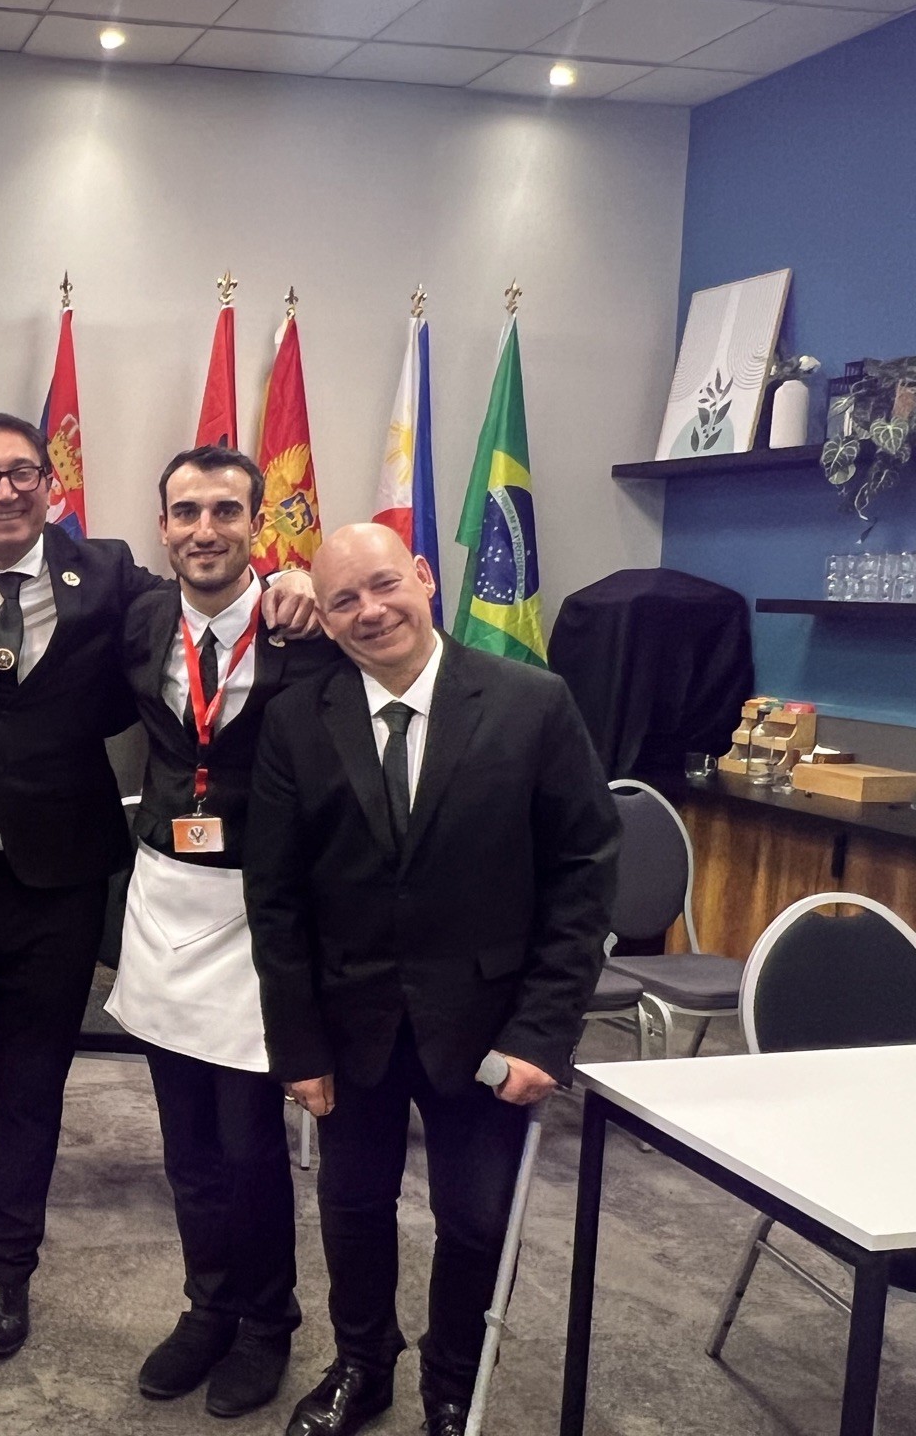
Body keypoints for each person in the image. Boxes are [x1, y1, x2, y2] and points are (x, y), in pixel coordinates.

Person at [0, 412, 319, 1362]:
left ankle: (9, 1272)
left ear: (50, 485)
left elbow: (216, 589)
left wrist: (299, 581)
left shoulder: (109, 575)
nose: (4, 489)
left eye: (22, 472)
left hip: (59, 879)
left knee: (33, 1086)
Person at [243, 524, 619, 1436]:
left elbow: (582, 875)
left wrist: (543, 1034)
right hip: (350, 1026)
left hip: (490, 1027)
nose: (370, 612)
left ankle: (454, 1386)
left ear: (423, 577)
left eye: (384, 585)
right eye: (343, 600)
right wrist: (297, 1045)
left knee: (478, 1221)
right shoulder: (296, 719)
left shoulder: (532, 703)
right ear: (326, 618)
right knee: (353, 1209)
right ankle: (361, 1366)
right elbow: (277, 898)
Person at [106, 446, 343, 1419]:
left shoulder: (306, 628)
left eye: (225, 511)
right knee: (188, 1147)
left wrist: (309, 584)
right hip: (167, 901)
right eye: (186, 512)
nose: (204, 530)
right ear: (163, 527)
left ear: (257, 524)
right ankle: (208, 1306)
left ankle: (266, 1322)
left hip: (262, 908)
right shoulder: (137, 619)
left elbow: (406, 640)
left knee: (249, 1147)